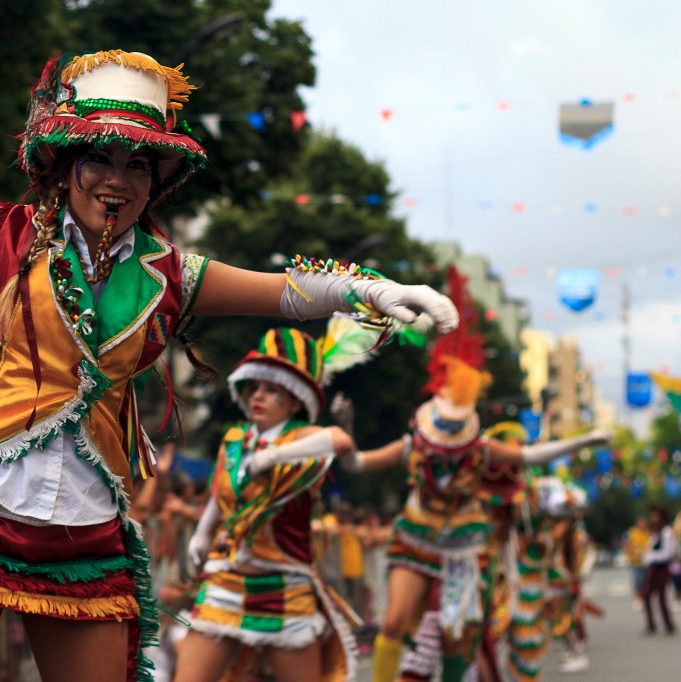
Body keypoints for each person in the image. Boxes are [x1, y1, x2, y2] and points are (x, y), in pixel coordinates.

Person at [0, 49, 458, 682]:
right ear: (65, 164)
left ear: (156, 180)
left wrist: (375, 290)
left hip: (84, 534)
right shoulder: (3, 236)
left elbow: (286, 292)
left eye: (139, 164)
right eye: (100, 156)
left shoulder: (171, 272)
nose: (118, 178)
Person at [337, 268, 612, 682]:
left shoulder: (480, 448)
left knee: (455, 638)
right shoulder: (414, 443)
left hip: (463, 545)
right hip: (415, 537)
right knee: (393, 623)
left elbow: (531, 455)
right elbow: (356, 463)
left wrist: (584, 440)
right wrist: (346, 433)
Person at [179, 325, 381, 682]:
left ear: (295, 400)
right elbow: (220, 493)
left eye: (272, 390)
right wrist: (202, 532)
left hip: (285, 590)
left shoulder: (302, 440)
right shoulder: (235, 438)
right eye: (255, 387)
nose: (258, 395)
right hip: (226, 584)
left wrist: (273, 457)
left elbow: (340, 441)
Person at [641, 504, 677, 635]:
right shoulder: (655, 533)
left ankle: (668, 624)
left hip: (662, 567)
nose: (652, 518)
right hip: (653, 568)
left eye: (655, 515)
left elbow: (668, 552)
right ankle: (651, 624)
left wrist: (651, 557)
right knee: (646, 595)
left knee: (661, 596)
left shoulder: (667, 532)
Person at [622, 517, 652, 611]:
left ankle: (644, 599)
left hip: (646, 562)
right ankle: (638, 599)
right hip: (635, 562)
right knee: (638, 582)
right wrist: (634, 550)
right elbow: (626, 543)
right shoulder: (632, 532)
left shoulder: (649, 533)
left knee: (645, 583)